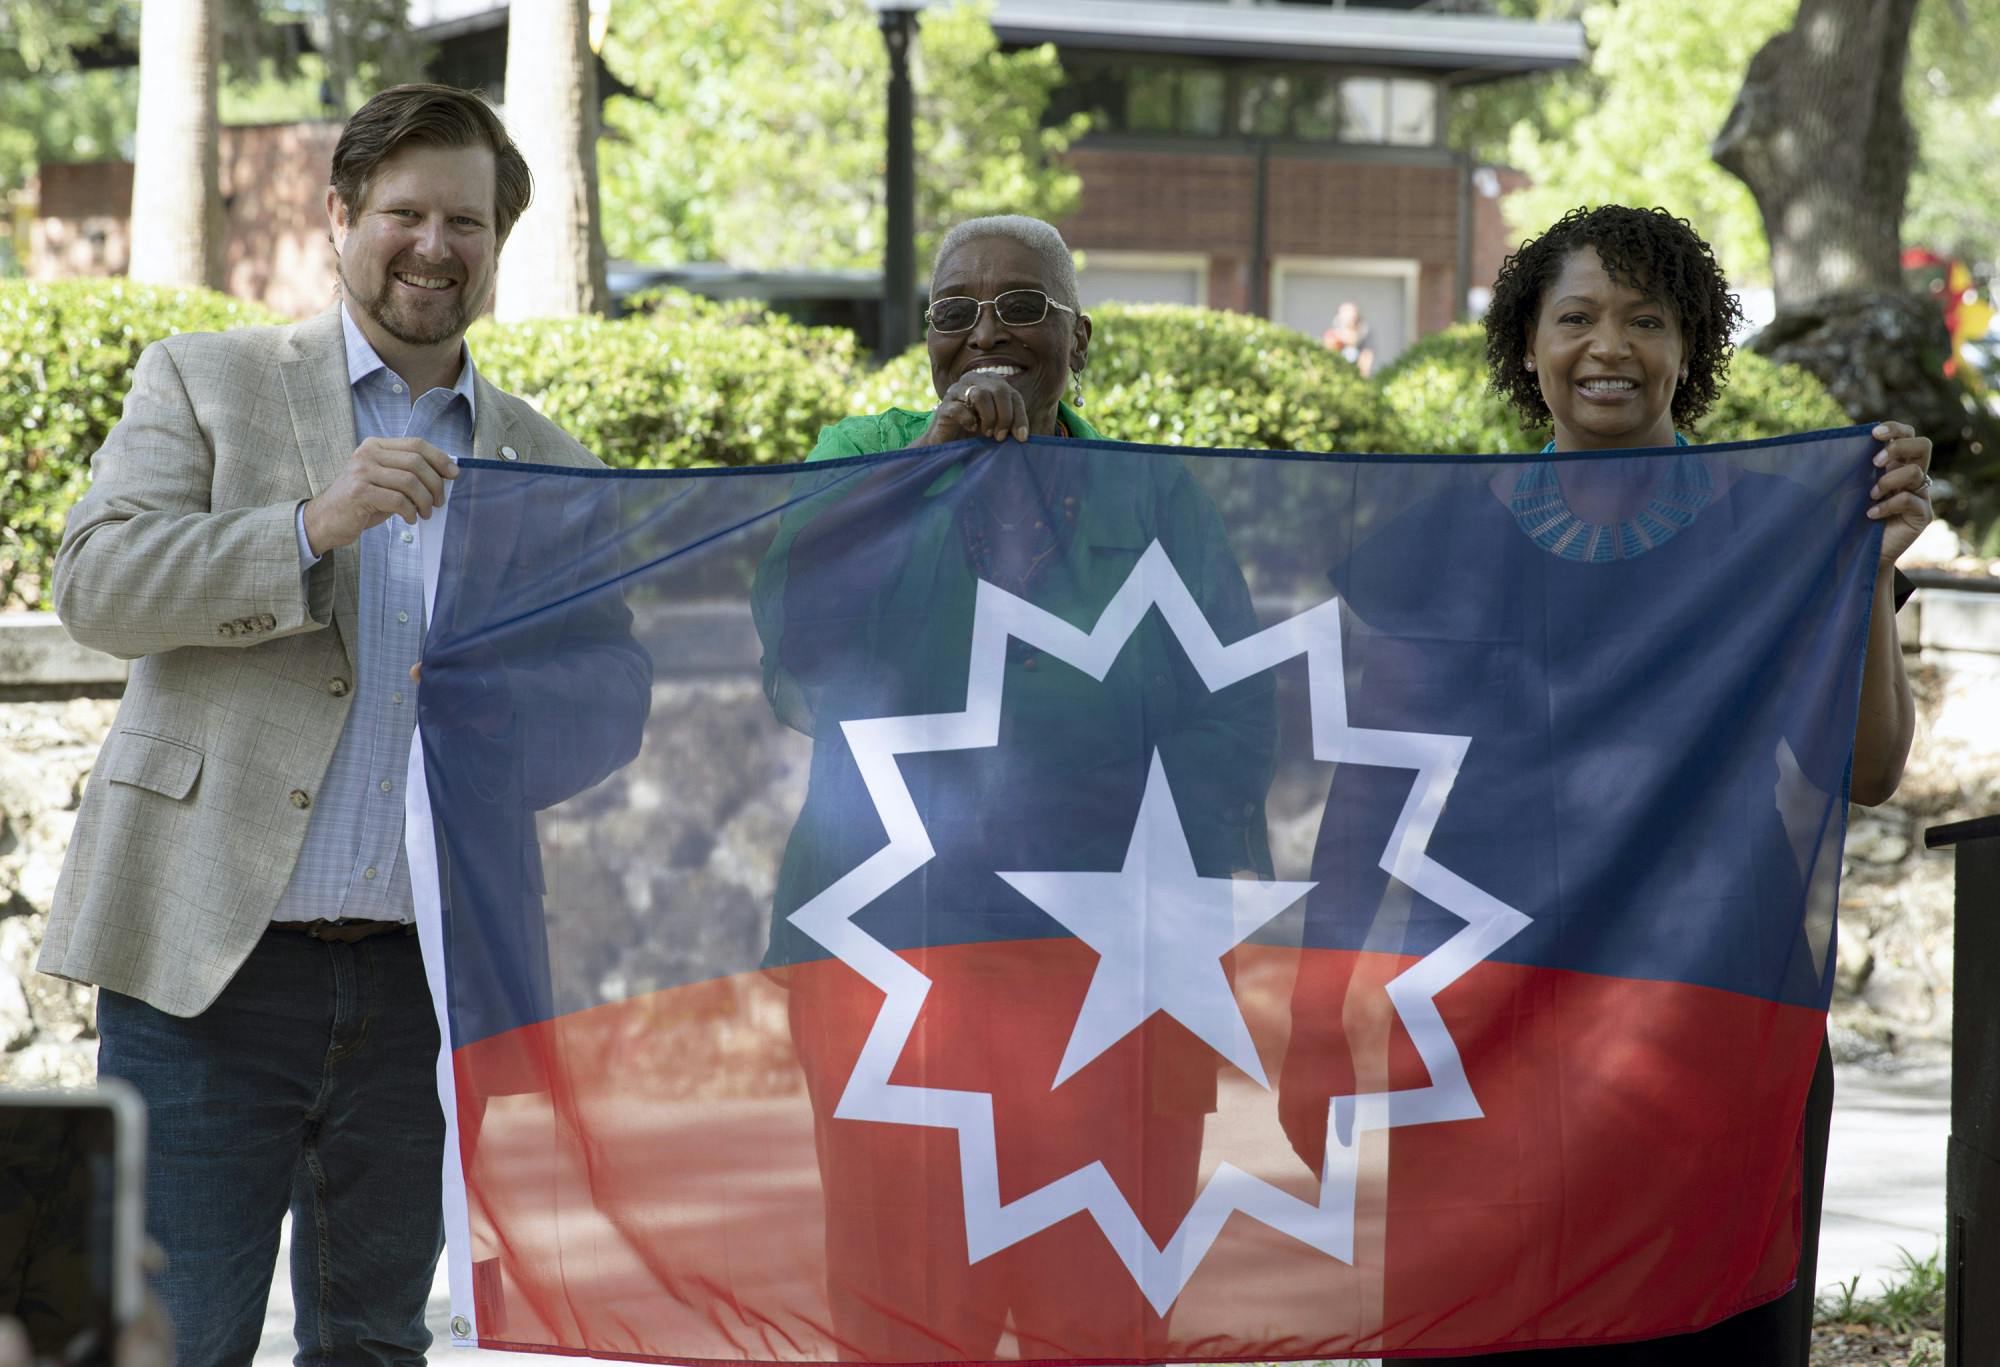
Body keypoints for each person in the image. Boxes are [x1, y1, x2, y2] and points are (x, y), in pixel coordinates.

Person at [38, 83, 645, 1364]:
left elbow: (610, 702)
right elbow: (95, 587)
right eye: (405, 212)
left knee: (373, 1341)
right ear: (338, 217)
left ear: (497, 240)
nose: (435, 245)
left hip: (426, 982)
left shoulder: (551, 464)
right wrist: (309, 526)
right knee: (170, 1336)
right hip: (208, 965)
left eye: (466, 221)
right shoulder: (208, 381)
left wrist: (503, 708)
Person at [1288, 204, 1928, 1364]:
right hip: (1478, 1021)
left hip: (1711, 1014)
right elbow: (1366, 800)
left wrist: (1868, 574)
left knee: (1704, 1336)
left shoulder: (1781, 531)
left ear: (1689, 347)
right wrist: (1311, 1017)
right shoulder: (1440, 542)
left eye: (1645, 318)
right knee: (1476, 1328)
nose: (1608, 347)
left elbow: (1871, 770)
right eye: (1574, 316)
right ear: (1525, 347)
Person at [752, 214, 1277, 1359]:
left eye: (1023, 305)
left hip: (1117, 968)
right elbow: (804, 646)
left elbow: (1235, 713)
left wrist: (1124, 854)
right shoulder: (860, 454)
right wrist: (928, 471)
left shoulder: (1153, 496)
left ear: (1079, 338)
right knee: (904, 1311)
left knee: (1100, 1311)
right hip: (895, 961)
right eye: (955, 310)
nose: (986, 329)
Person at [1323, 299, 1376, 376]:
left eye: (1353, 317)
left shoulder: (1365, 332)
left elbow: (1367, 357)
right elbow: (1327, 354)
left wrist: (1362, 376)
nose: (1350, 320)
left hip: (1356, 373)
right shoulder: (1334, 334)